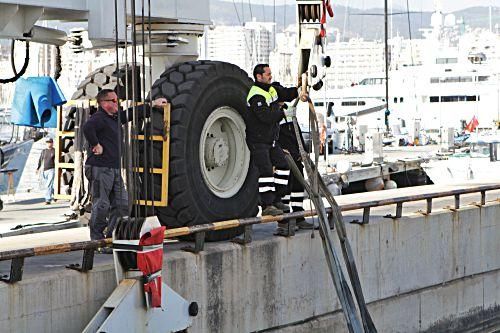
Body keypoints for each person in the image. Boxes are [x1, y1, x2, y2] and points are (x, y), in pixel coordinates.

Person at [83, 89, 167, 241]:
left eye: (118, 100)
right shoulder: (99, 118)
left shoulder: (114, 118)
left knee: (122, 204)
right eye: (114, 101)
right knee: (101, 204)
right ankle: (96, 240)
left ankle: (111, 237)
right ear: (104, 103)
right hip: (100, 168)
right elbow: (87, 128)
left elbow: (132, 113)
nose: (117, 103)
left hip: (114, 168)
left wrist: (152, 104)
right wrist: (96, 144)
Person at [245, 64, 302, 217]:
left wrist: (301, 89)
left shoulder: (271, 90)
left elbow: (286, 93)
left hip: (271, 141)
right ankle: (266, 205)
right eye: (268, 74)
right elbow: (265, 117)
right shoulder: (256, 95)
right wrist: (283, 112)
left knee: (283, 166)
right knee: (265, 171)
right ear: (259, 76)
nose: (271, 76)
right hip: (258, 141)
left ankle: (277, 198)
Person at [36, 138, 56, 204]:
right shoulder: (44, 151)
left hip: (52, 169)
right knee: (49, 185)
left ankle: (48, 199)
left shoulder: (54, 150)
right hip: (44, 170)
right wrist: (38, 168)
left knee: (48, 185)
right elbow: (40, 160)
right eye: (47, 142)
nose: (49, 143)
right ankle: (55, 194)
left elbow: (57, 160)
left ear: (52, 143)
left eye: (50, 142)